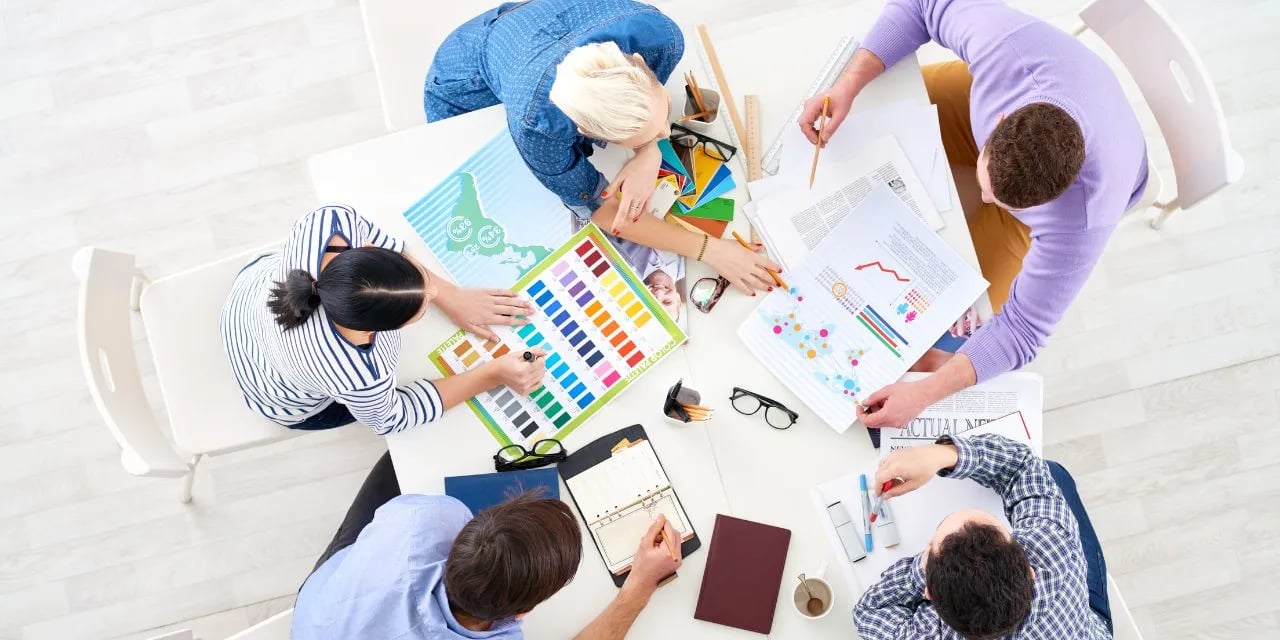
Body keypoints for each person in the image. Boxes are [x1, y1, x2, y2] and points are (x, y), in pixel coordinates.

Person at [797, 0, 1149, 427]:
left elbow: (1022, 332)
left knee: (946, 318)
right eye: (987, 187)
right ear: (998, 121)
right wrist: (848, 84)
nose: (983, 200)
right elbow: (922, 4)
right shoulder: (1005, 49)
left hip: (1097, 167)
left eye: (1003, 203)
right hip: (988, 97)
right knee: (868, 109)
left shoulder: (1082, 217)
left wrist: (923, 395)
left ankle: (1003, 197)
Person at [427, 0, 778, 295]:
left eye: (662, 120)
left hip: (532, 26)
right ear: (582, 131)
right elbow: (603, 211)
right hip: (470, 83)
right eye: (643, 135)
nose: (664, 133)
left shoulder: (660, 37)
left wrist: (648, 150)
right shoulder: (538, 126)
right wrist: (711, 250)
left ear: (639, 63)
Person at [220, 204, 546, 435]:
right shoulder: (357, 374)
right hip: (273, 392)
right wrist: (492, 373)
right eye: (421, 307)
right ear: (372, 333)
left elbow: (372, 234)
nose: (432, 293)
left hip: (245, 301)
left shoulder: (330, 223)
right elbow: (390, 418)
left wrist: (452, 295)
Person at [291, 452, 683, 639]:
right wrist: (640, 586)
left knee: (394, 459)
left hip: (321, 615)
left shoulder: (426, 520)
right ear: (523, 612)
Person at [855, 434, 1112, 639]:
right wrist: (942, 454)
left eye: (932, 545)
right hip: (1084, 628)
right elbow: (1021, 468)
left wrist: (921, 569)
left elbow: (868, 612)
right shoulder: (1052, 546)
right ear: (1030, 570)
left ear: (930, 593)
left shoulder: (928, 633)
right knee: (1051, 471)